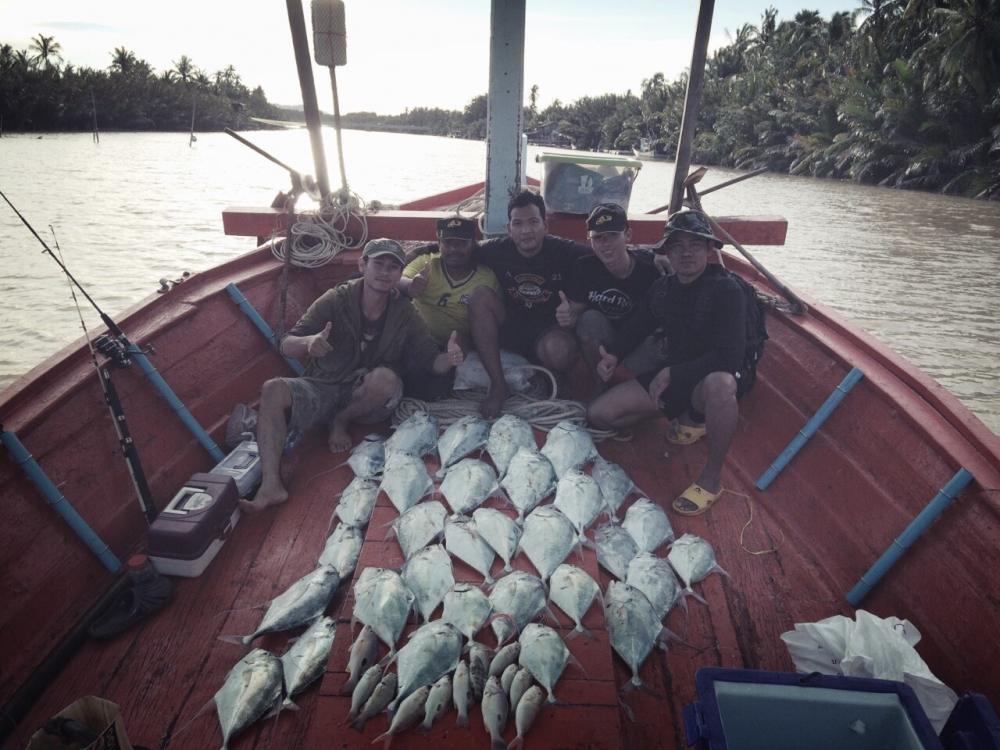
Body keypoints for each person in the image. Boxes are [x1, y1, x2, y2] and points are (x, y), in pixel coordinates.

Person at [241, 238, 464, 514]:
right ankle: (271, 484)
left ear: (399, 274)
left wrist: (451, 358)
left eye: (393, 267)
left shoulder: (406, 312)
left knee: (386, 379)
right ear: (363, 265)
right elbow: (287, 343)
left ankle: (340, 420)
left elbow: (432, 362)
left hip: (367, 397)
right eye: (378, 263)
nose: (385, 272)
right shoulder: (336, 299)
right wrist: (309, 343)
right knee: (273, 389)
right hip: (324, 385)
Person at [587, 209, 757, 516]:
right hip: (676, 378)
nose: (686, 252)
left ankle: (711, 478)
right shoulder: (664, 288)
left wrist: (672, 373)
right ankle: (689, 418)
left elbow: (731, 357)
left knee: (721, 383)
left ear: (709, 249)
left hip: (713, 379)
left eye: (695, 244)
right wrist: (613, 354)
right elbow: (638, 326)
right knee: (599, 414)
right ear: (667, 252)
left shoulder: (728, 290)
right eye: (677, 245)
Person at [467, 190, 590, 417]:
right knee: (479, 297)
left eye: (533, 222)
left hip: (548, 329)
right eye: (518, 223)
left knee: (559, 349)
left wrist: (577, 308)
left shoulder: (566, 251)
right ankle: (498, 384)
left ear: (546, 225)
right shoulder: (496, 249)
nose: (526, 231)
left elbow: (604, 256)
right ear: (509, 229)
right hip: (510, 325)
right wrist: (420, 250)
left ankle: (555, 377)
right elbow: (461, 251)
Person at [557, 203, 663, 392]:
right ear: (590, 241)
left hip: (638, 344)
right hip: (605, 344)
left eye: (613, 235)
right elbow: (576, 312)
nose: (606, 244)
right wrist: (567, 315)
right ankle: (601, 387)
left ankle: (641, 393)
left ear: (628, 235)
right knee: (589, 320)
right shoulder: (584, 268)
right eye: (598, 238)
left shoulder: (652, 270)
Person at [397, 216, 500, 399]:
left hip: (459, 341)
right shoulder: (427, 263)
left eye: (461, 243)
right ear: (438, 243)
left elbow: (496, 316)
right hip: (420, 338)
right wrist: (410, 285)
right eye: (447, 242)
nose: (454, 249)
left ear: (473, 244)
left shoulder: (486, 277)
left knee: (457, 346)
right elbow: (398, 279)